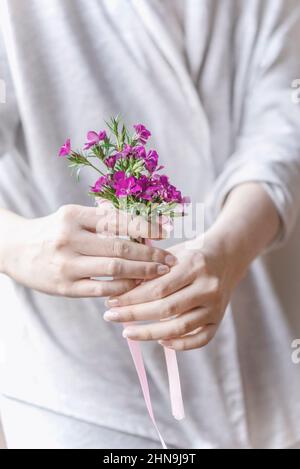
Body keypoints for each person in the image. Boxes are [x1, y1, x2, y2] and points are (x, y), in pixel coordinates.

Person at [0, 0, 300, 450]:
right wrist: (17, 244)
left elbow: (281, 125)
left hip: (255, 351)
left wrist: (227, 251)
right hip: (78, 382)